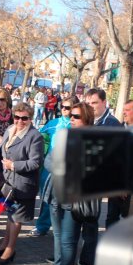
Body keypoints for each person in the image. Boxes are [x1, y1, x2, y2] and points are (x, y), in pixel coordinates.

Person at [40, 102, 96, 265]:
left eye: (76, 116)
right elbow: (48, 160)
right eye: (71, 115)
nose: (71, 118)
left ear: (87, 119)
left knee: (68, 241)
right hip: (55, 193)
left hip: (75, 199)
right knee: (58, 236)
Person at [0, 102, 44, 265]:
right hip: (8, 183)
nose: (20, 121)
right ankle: (4, 244)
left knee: (16, 218)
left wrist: (13, 165)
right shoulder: (9, 130)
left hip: (22, 184)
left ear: (30, 119)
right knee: (10, 214)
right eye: (17, 117)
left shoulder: (35, 136)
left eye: (24, 118)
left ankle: (10, 248)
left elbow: (35, 163)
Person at [30, 97, 75, 237]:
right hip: (49, 167)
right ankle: (42, 226)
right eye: (62, 106)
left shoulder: (76, 125)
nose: (64, 109)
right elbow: (39, 136)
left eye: (67, 107)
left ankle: (62, 230)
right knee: (45, 197)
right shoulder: (53, 123)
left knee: (63, 200)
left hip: (68, 169)